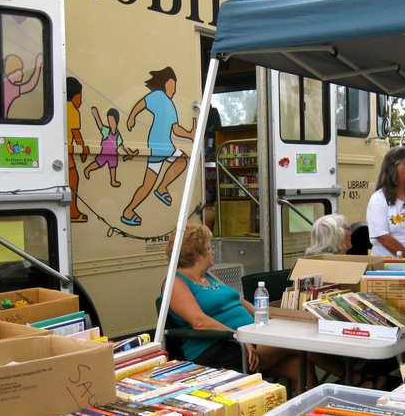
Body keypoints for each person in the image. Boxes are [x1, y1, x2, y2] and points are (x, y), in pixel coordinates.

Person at [162, 225, 309, 391]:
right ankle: (340, 373)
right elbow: (199, 322)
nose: (213, 252)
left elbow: (237, 299)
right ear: (196, 255)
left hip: (248, 337)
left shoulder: (208, 275)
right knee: (300, 344)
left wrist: (263, 317)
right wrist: (239, 337)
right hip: (218, 347)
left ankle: (316, 411)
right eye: (209, 248)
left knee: (298, 366)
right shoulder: (175, 282)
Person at [121, 67, 196, 226]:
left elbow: (175, 129)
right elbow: (141, 103)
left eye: (175, 88)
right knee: (180, 160)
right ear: (165, 83)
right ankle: (159, 190)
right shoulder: (158, 96)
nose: (174, 90)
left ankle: (131, 209)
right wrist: (132, 117)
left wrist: (190, 134)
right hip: (158, 144)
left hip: (163, 145)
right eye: (172, 86)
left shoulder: (170, 105)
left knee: (150, 182)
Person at [84, 107, 138, 187]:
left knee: (113, 166)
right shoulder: (106, 131)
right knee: (98, 163)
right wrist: (95, 114)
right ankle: (87, 169)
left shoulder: (118, 135)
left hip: (113, 155)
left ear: (116, 122)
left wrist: (130, 152)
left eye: (112, 121)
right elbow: (100, 125)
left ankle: (113, 180)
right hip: (104, 153)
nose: (110, 123)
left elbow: (122, 146)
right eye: (109, 121)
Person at [0, 53, 43, 118]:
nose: (22, 73)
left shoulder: (13, 88)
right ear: (12, 72)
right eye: (20, 70)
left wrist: (38, 67)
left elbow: (30, 85)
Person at [66, 77, 90, 222]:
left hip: (64, 150)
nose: (81, 101)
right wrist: (83, 149)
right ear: (74, 96)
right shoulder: (72, 110)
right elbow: (76, 134)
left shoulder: (61, 106)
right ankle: (73, 212)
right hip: (66, 152)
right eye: (80, 97)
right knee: (73, 179)